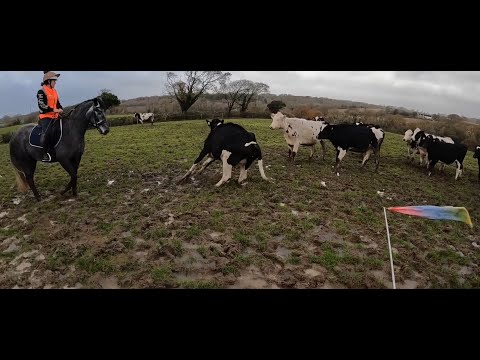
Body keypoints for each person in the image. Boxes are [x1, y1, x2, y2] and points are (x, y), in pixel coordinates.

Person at [37, 71, 63, 162]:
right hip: (45, 117)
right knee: (47, 133)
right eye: (54, 81)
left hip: (56, 116)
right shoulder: (41, 91)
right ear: (48, 81)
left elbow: (58, 103)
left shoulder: (54, 91)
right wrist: (54, 110)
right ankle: (44, 153)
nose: (55, 82)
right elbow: (42, 106)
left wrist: (60, 108)